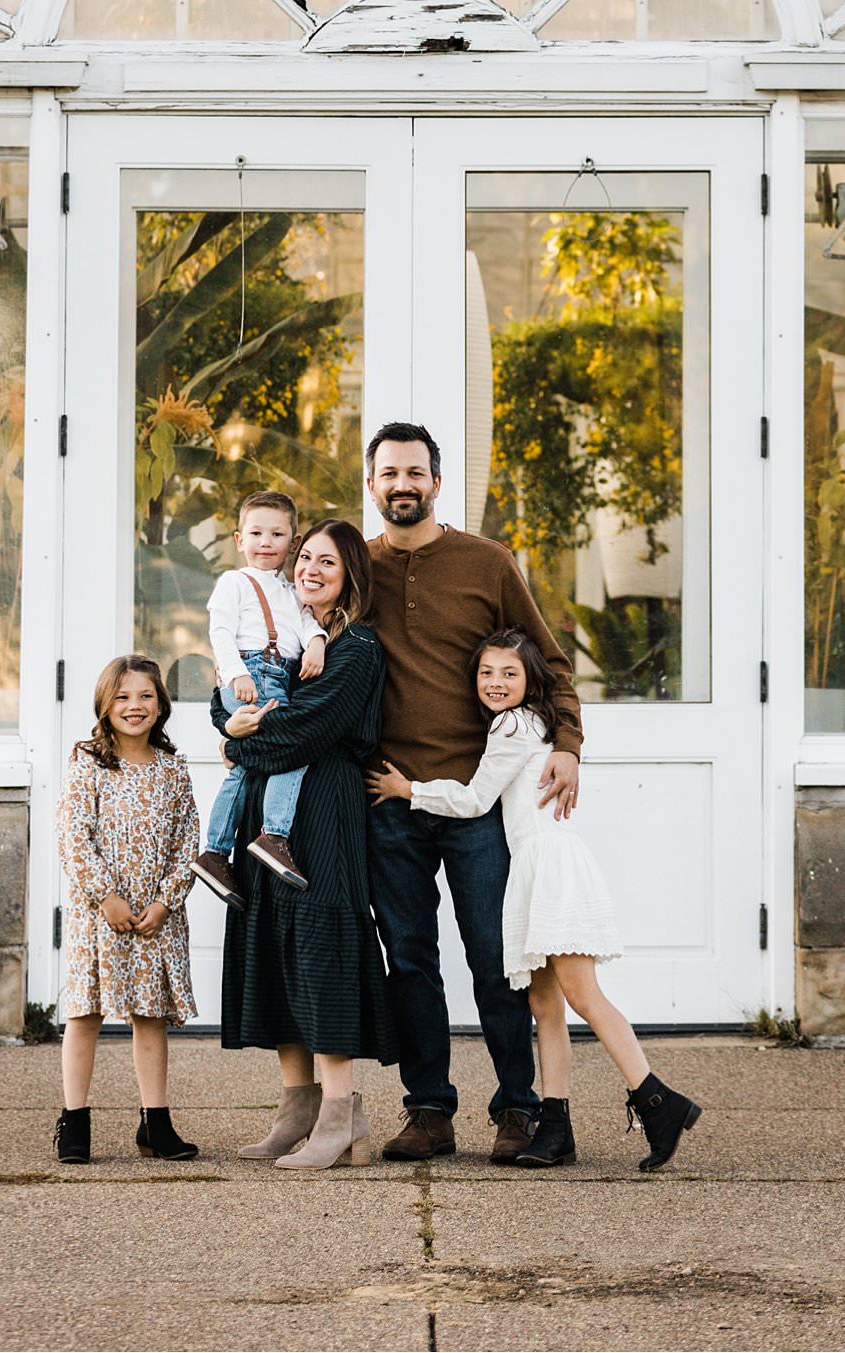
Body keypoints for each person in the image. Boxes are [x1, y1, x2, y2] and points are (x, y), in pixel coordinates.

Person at [368, 627, 703, 1171]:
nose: (495, 683)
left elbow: (476, 800)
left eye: (509, 673)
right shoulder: (524, 723)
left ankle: (658, 1102)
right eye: (486, 673)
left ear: (530, 680)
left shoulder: (514, 724)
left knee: (582, 996)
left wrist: (412, 790)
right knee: (545, 1006)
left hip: (548, 867)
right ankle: (556, 1127)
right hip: (532, 864)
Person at [363, 420, 583, 1164]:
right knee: (411, 961)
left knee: (497, 958)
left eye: (415, 472)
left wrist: (569, 746)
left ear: (435, 480)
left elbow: (548, 663)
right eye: (389, 473)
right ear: (372, 485)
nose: (402, 484)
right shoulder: (358, 569)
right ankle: (428, 1109)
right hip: (392, 801)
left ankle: (518, 1108)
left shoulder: (486, 562)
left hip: (477, 804)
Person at [215, 519, 397, 1170]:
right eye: (305, 557)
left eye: (328, 561)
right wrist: (233, 722)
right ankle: (298, 1105)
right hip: (266, 816)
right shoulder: (281, 637)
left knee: (321, 947)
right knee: (273, 944)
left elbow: (303, 729)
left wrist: (237, 742)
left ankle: (342, 1111)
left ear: (350, 574)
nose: (311, 568)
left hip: (324, 812)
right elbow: (228, 698)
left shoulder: (357, 649)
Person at [53, 654, 200, 1165]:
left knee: (149, 1015)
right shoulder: (89, 762)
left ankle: (155, 1122)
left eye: (145, 696)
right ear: (104, 704)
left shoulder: (173, 767)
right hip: (101, 915)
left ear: (160, 705)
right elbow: (74, 837)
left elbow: (188, 842)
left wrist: (165, 900)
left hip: (154, 917)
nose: (134, 706)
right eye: (122, 697)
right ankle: (75, 1121)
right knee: (86, 1012)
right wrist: (105, 896)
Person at [192, 490, 326, 903]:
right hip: (253, 672)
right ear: (238, 540)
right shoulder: (235, 581)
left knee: (245, 771)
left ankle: (215, 852)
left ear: (294, 541)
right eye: (256, 533)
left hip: (279, 674)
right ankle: (274, 835)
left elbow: (303, 623)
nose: (266, 542)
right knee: (292, 751)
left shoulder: (289, 589)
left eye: (277, 534)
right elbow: (220, 632)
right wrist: (236, 675)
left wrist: (317, 641)